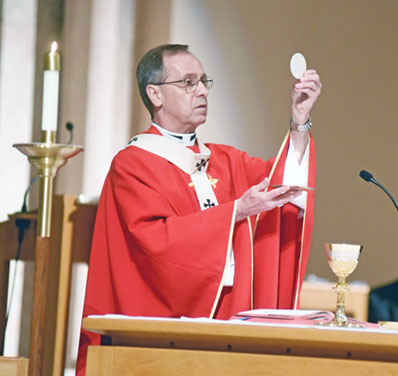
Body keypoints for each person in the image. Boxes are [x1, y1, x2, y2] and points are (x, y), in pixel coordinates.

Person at [76, 44, 322, 374]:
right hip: (166, 335)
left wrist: (299, 120)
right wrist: (235, 212)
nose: (203, 91)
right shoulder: (133, 165)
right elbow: (154, 242)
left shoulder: (225, 160)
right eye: (188, 82)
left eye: (204, 81)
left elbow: (284, 184)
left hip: (232, 325)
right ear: (155, 94)